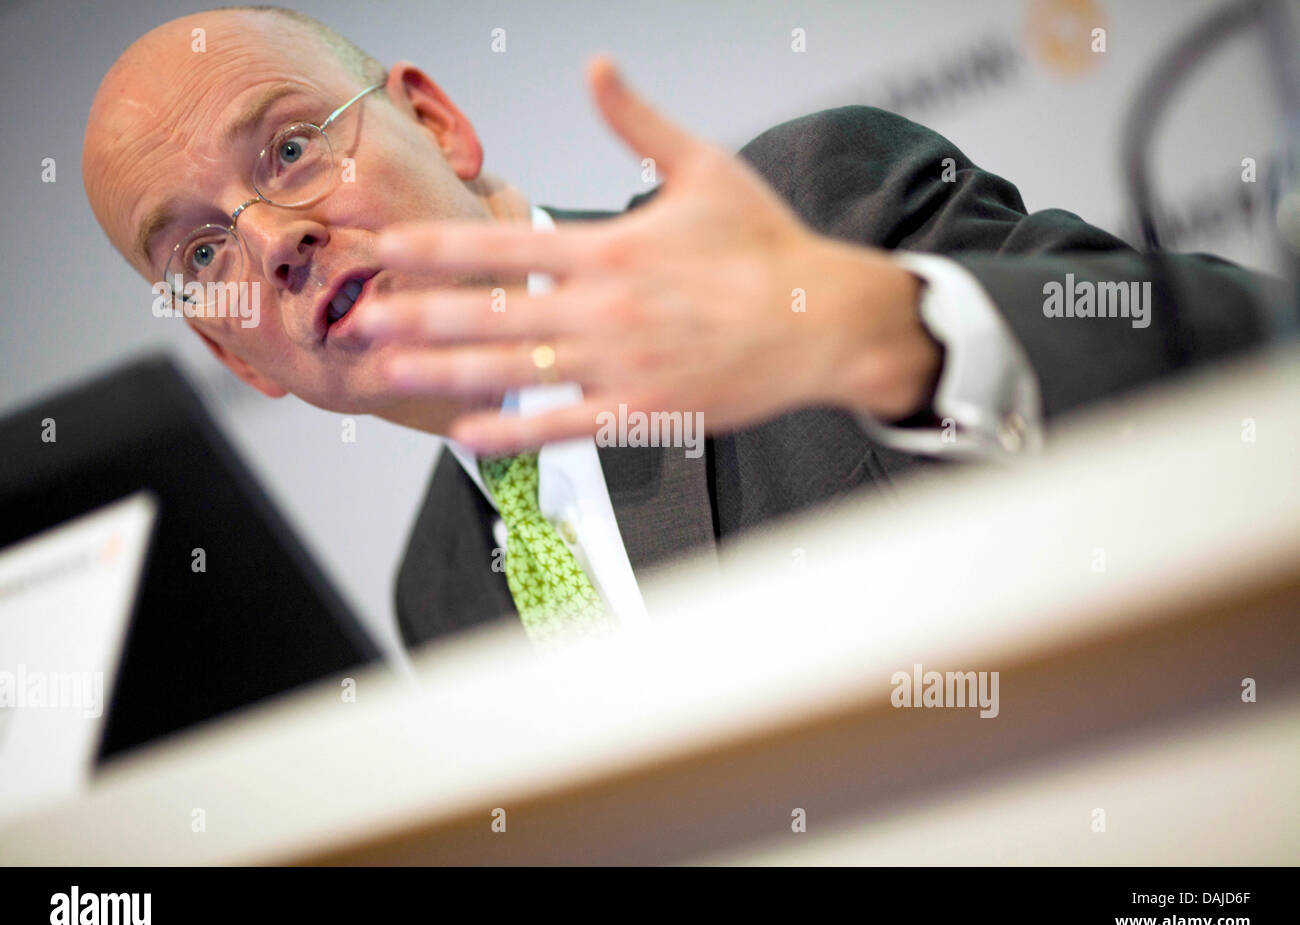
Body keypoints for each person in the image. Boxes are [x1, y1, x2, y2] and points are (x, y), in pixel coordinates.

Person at [82, 7, 1283, 648]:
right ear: (234, 351)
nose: (271, 237)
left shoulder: (808, 208)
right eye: (198, 253)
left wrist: (894, 330)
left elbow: (1248, 355)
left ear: (437, 124)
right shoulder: (436, 594)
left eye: (290, 147)